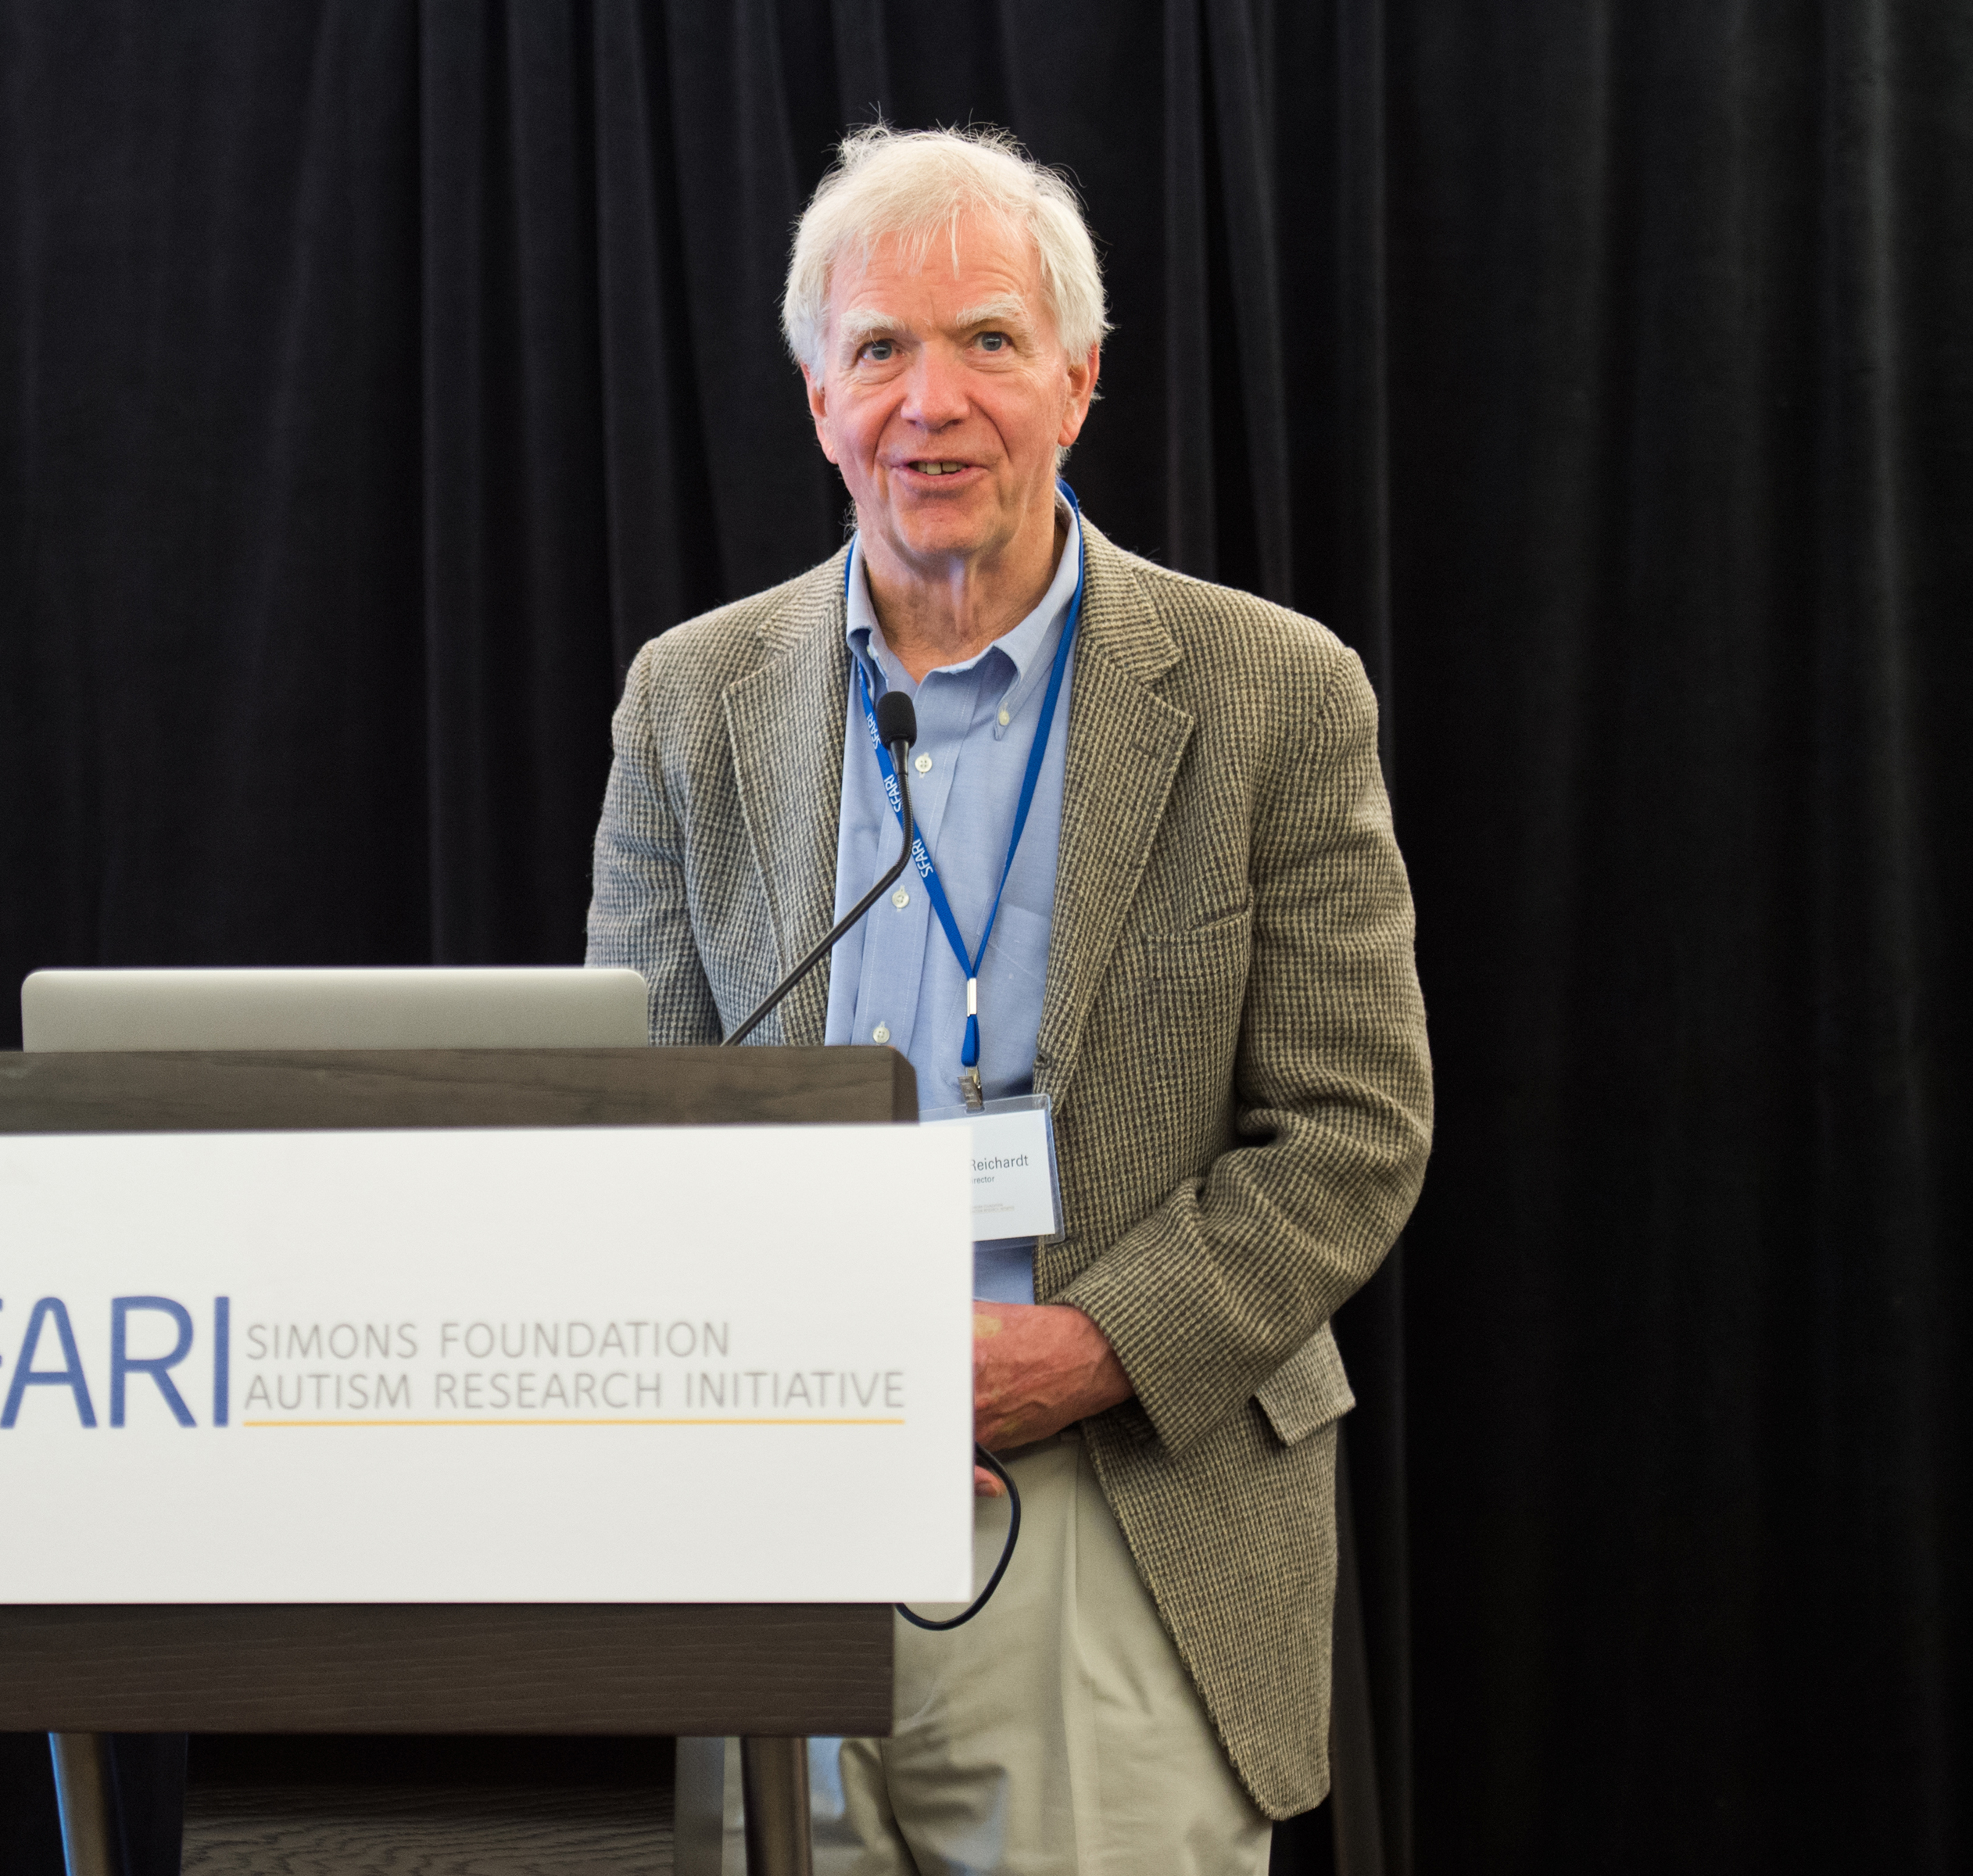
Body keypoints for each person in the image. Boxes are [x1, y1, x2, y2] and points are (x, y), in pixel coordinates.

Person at [584, 125, 1432, 1875]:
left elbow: (1352, 1129)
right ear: (818, 398)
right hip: (778, 1514)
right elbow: (628, 1117)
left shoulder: (1274, 692)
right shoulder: (691, 702)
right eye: (877, 349)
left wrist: (1082, 1355)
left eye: (985, 339)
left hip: (1118, 1511)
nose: (931, 400)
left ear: (1078, 379)